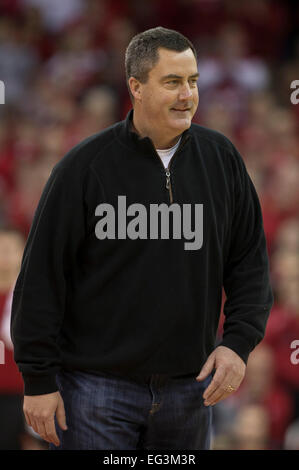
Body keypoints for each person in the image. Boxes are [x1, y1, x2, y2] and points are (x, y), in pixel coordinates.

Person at [10, 26, 274, 450]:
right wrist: (38, 379)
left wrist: (238, 345)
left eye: (192, 81)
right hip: (96, 389)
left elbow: (250, 264)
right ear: (136, 86)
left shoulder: (222, 159)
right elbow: (42, 278)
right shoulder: (83, 169)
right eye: (172, 82)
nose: (187, 94)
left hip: (192, 388)